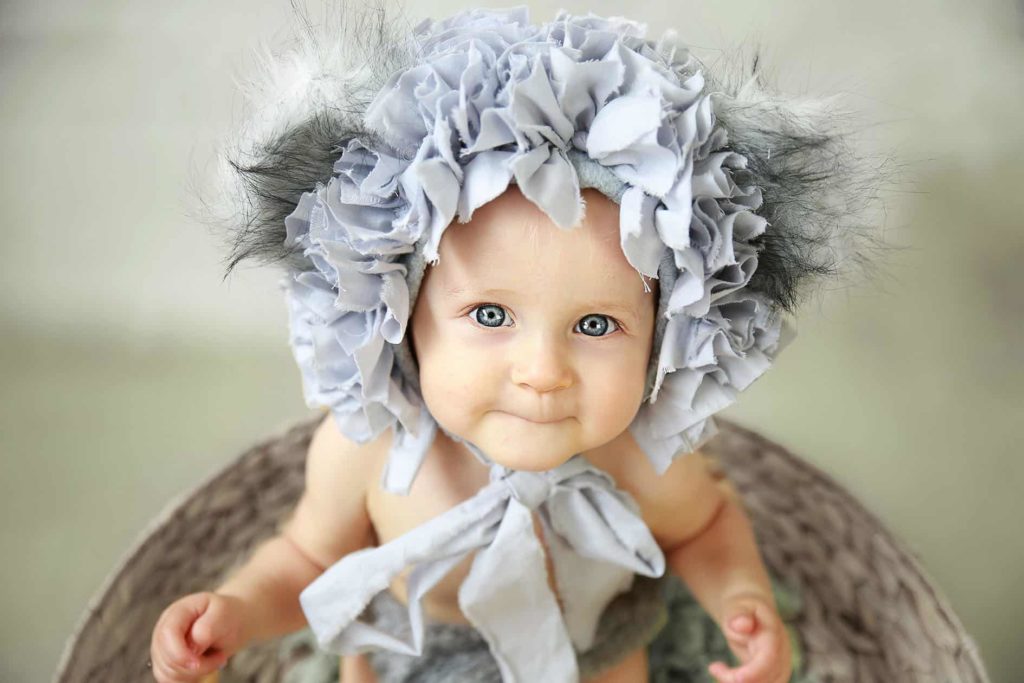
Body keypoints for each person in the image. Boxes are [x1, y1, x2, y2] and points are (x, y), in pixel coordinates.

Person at [148, 6, 884, 682]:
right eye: (492, 315)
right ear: (400, 314)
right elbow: (306, 557)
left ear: (667, 338)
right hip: (416, 654)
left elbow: (707, 527)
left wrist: (741, 598)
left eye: (596, 326)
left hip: (587, 655)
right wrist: (235, 612)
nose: (542, 372)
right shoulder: (371, 449)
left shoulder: (639, 456)